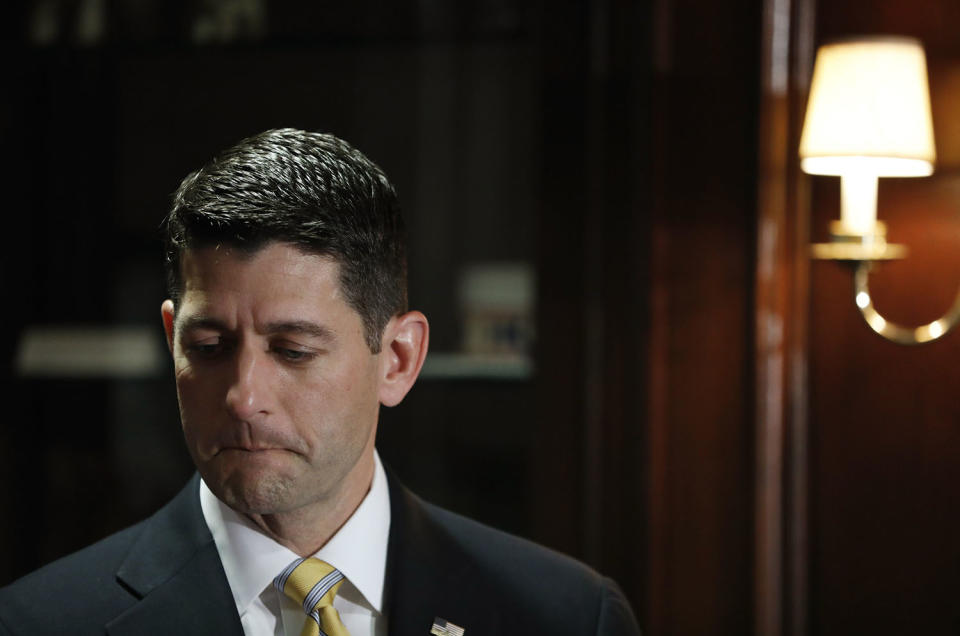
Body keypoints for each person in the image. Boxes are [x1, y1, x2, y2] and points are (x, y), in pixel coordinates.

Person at [0, 128, 640, 635]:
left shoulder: (567, 617)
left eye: (294, 350)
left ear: (397, 358)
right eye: (209, 346)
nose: (243, 397)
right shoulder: (39, 623)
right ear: (171, 338)